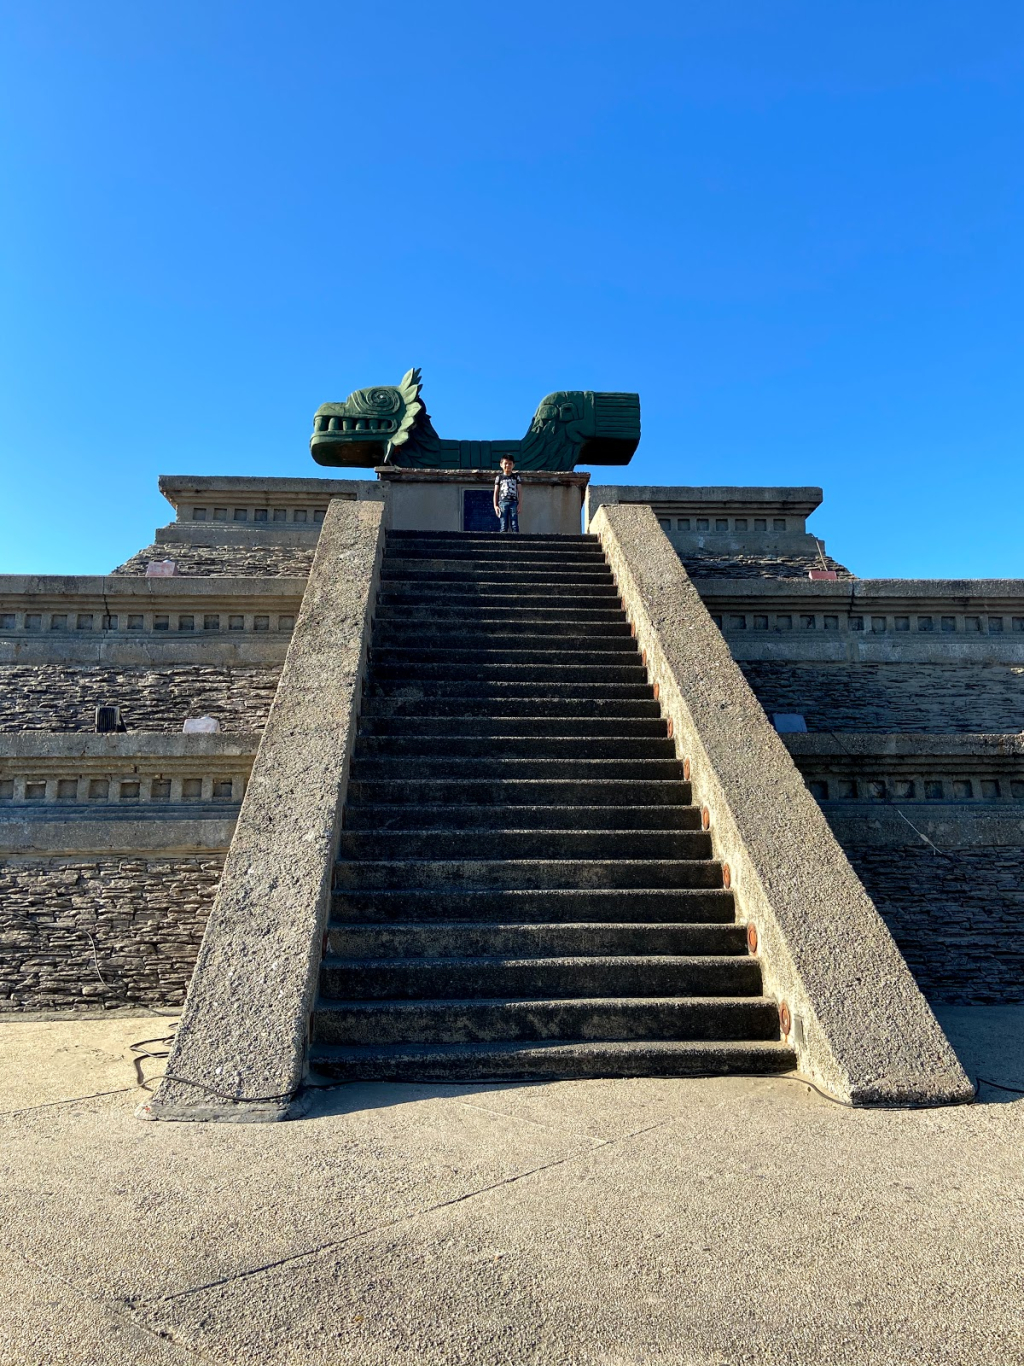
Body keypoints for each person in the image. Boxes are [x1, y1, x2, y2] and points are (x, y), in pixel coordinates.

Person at [493, 456, 522, 534]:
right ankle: (503, 543)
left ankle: (517, 542)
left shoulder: (516, 477)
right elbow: (496, 492)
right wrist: (495, 506)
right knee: (503, 524)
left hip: (514, 502)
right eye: (505, 463)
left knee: (514, 524)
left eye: (510, 464)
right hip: (503, 503)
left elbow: (519, 491)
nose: (508, 466)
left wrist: (520, 504)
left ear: (513, 465)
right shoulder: (499, 477)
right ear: (501, 464)